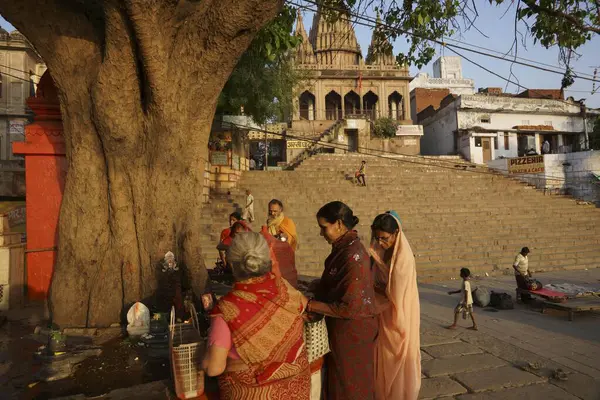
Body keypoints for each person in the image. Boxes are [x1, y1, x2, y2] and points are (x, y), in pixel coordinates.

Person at [203, 232, 310, 399]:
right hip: (297, 388)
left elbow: (214, 368)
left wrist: (201, 359)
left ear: (231, 265)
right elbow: (302, 306)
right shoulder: (282, 287)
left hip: (254, 392)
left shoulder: (227, 309)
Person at [305, 201, 378, 400]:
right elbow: (339, 282)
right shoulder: (344, 247)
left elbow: (349, 307)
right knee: (340, 383)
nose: (321, 233)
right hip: (344, 331)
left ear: (338, 224)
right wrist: (319, 285)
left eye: (324, 227)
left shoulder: (352, 254)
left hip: (352, 332)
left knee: (350, 387)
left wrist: (308, 305)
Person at [370, 211, 421, 400]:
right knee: (383, 357)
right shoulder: (380, 251)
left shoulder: (403, 259)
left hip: (399, 313)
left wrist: (374, 287)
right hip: (384, 313)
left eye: (385, 238)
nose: (381, 243)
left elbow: (395, 295)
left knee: (398, 357)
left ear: (396, 233)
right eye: (377, 238)